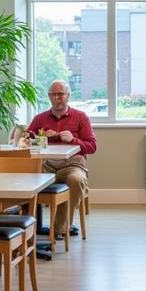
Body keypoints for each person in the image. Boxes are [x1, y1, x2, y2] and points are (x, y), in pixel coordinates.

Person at [26, 80, 96, 237]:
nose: (57, 98)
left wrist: (73, 140)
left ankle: (59, 229)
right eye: (53, 94)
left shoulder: (80, 117)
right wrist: (42, 137)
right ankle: (26, 230)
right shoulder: (40, 118)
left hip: (72, 165)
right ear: (49, 97)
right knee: (24, 178)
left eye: (60, 94)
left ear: (68, 96)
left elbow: (92, 146)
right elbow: (25, 140)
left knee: (76, 180)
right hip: (46, 165)